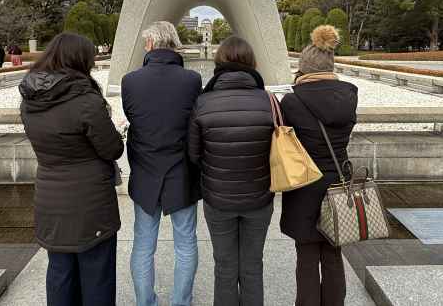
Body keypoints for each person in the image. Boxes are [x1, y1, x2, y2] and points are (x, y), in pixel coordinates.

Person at [19, 32, 124, 306]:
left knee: (60, 273)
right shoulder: (85, 101)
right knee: (97, 275)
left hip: (50, 199)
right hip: (90, 204)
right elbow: (112, 149)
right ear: (79, 60)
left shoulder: (29, 101)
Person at [188, 36, 274, 306]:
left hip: (218, 199)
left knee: (224, 266)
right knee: (253, 264)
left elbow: (193, 154)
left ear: (219, 62)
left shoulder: (203, 102)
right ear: (251, 63)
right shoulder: (269, 101)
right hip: (260, 197)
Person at [121, 21, 202, 306]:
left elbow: (134, 120)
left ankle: (146, 302)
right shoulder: (192, 79)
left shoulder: (130, 81)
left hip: (145, 172)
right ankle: (182, 302)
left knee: (143, 243)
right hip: (182, 171)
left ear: (152, 45)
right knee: (186, 242)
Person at [279, 25, 358, 306]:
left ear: (303, 68)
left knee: (307, 256)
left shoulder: (292, 100)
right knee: (334, 254)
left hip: (305, 185)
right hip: (338, 181)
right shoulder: (349, 96)